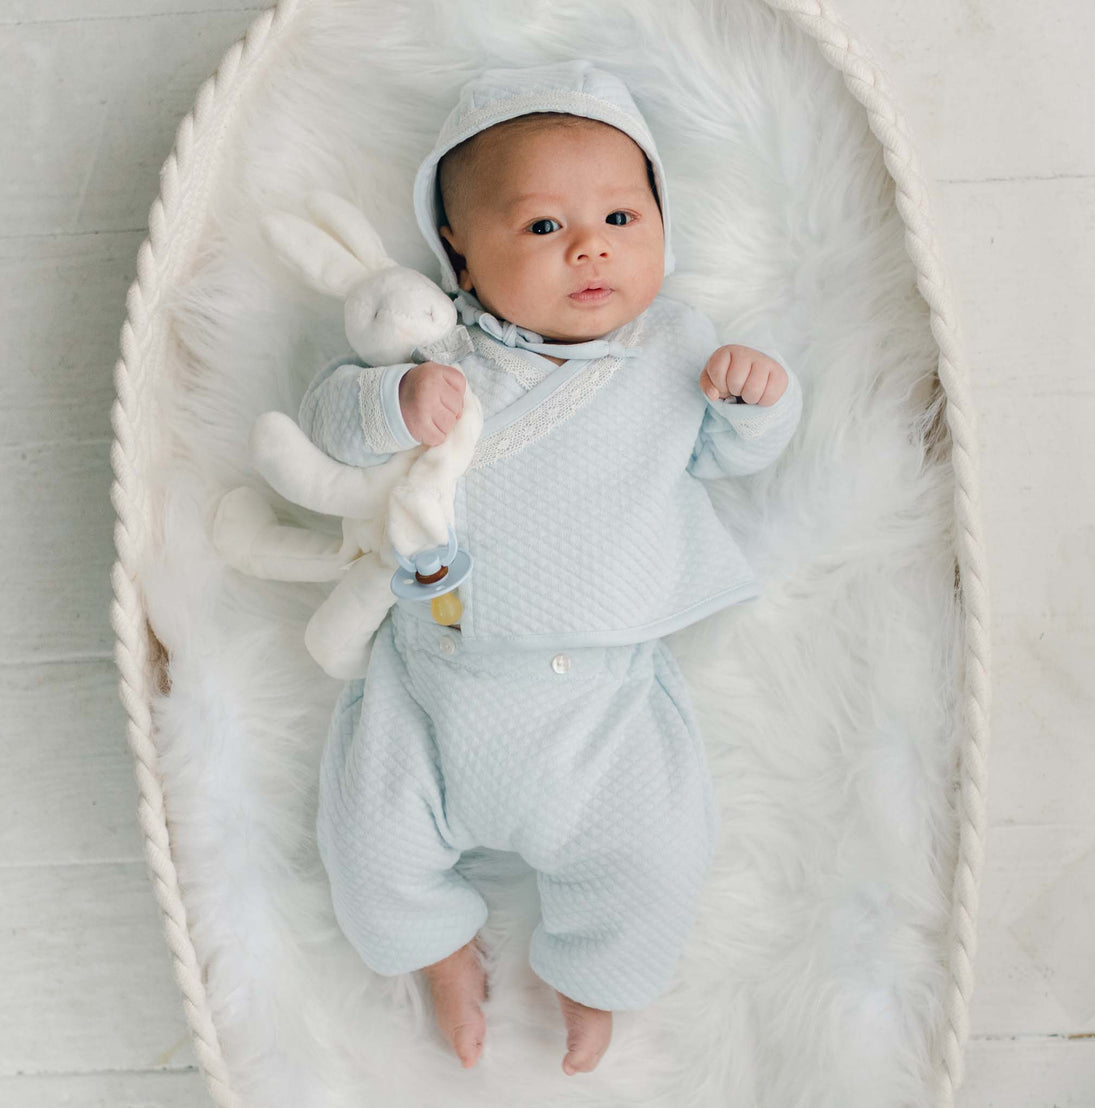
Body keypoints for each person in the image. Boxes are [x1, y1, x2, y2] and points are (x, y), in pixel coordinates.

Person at [299, 59, 803, 1076]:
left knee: (657, 857)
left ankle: (594, 981)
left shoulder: (676, 351)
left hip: (606, 707)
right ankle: (437, 949)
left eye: (622, 216)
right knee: (364, 844)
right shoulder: (443, 353)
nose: (588, 247)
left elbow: (727, 461)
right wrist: (393, 405)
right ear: (459, 251)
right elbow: (327, 426)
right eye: (540, 227)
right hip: (431, 688)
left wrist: (759, 404)